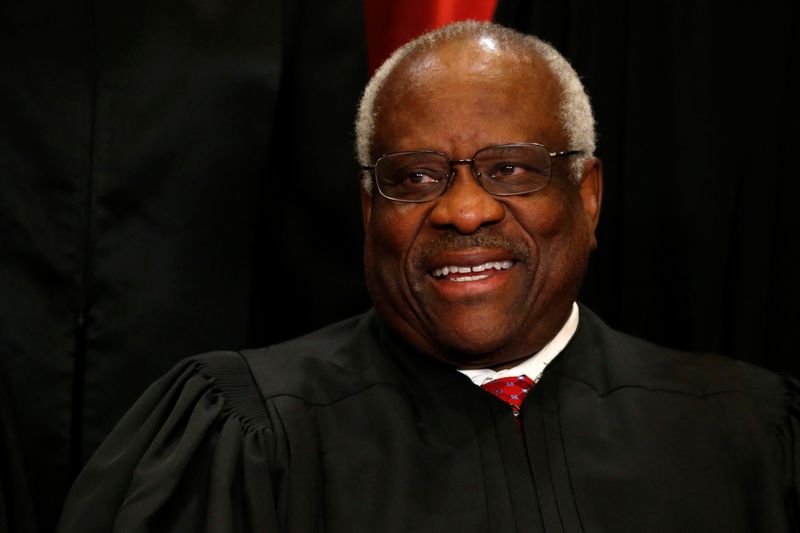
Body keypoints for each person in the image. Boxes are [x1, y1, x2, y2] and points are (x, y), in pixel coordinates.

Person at [56, 20, 798, 533]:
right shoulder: (247, 437)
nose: (466, 210)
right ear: (369, 208)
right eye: (414, 176)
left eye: (510, 168)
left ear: (587, 194)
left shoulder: (746, 432)